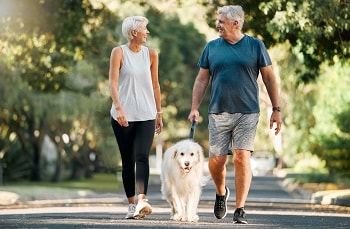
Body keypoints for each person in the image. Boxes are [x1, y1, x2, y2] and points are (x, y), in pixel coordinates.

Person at [188, 5, 282, 224]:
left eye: (221, 21)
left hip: (247, 111)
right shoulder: (211, 47)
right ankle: (221, 192)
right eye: (218, 21)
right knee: (216, 161)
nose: (217, 25)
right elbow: (202, 79)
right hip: (218, 111)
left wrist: (276, 110)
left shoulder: (255, 45)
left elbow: (269, 78)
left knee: (242, 156)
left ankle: (240, 209)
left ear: (235, 23)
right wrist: (194, 107)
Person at [109, 15, 163, 219]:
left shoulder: (151, 54)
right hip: (122, 116)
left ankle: (142, 200)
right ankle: (131, 204)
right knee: (128, 159)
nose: (147, 32)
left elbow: (156, 84)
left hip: (146, 114)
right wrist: (119, 108)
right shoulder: (118, 52)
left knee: (142, 156)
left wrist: (159, 113)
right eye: (144, 29)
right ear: (134, 32)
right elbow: (113, 83)